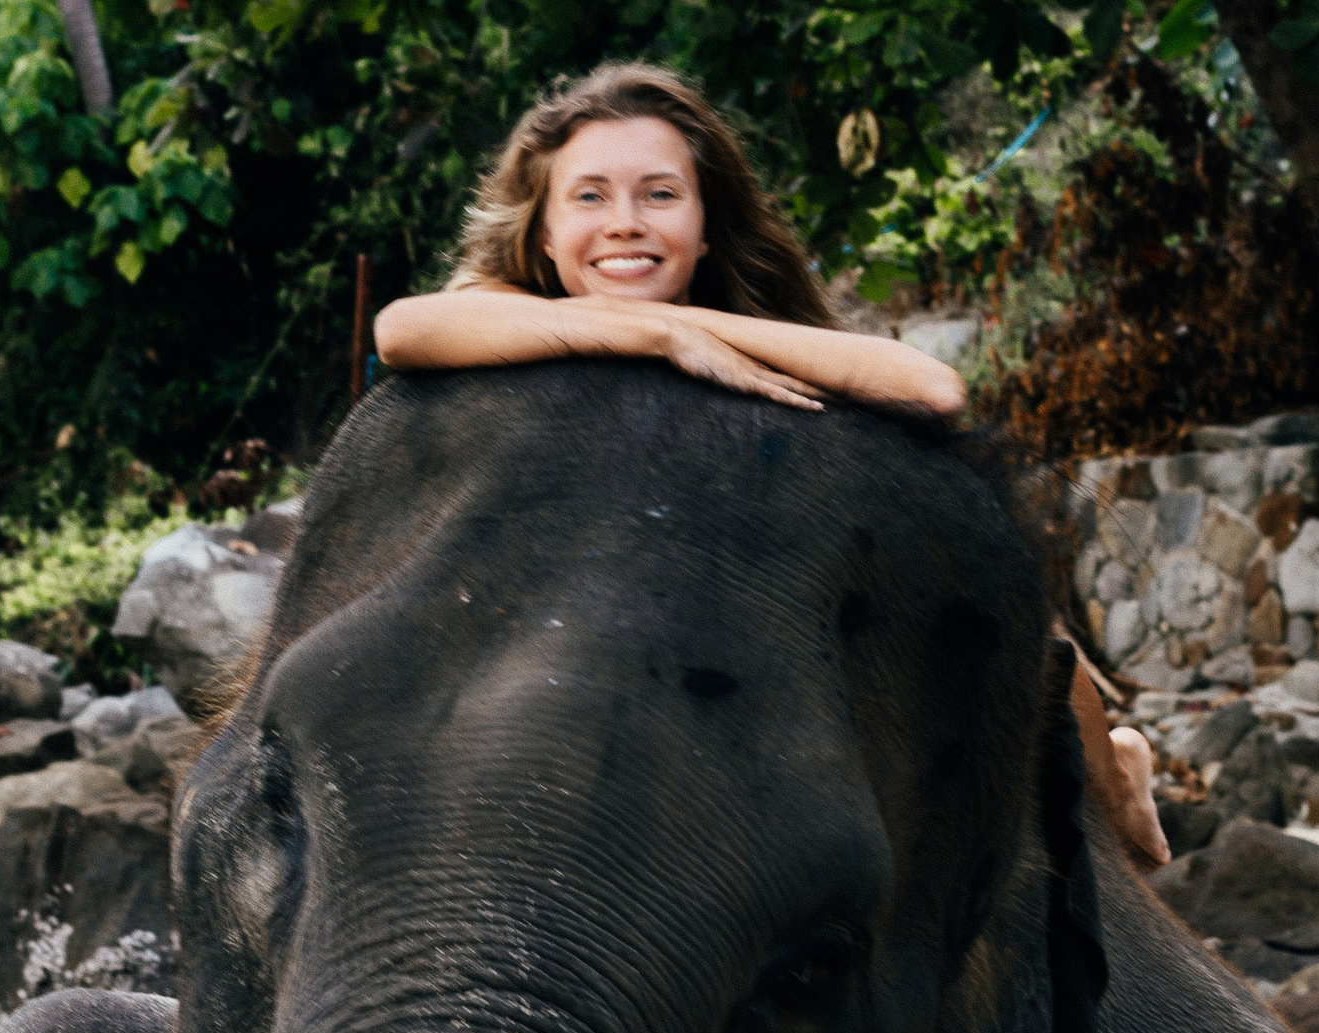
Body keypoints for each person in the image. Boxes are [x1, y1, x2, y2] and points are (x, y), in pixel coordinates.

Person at [372, 64, 1168, 868]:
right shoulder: (505, 305)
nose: (624, 222)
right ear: (542, 232)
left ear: (706, 224)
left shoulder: (749, 320)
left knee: (985, 569)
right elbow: (401, 330)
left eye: (659, 195)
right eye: (588, 197)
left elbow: (933, 390)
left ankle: (1118, 771)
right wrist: (652, 333)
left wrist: (697, 328)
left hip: (781, 562)